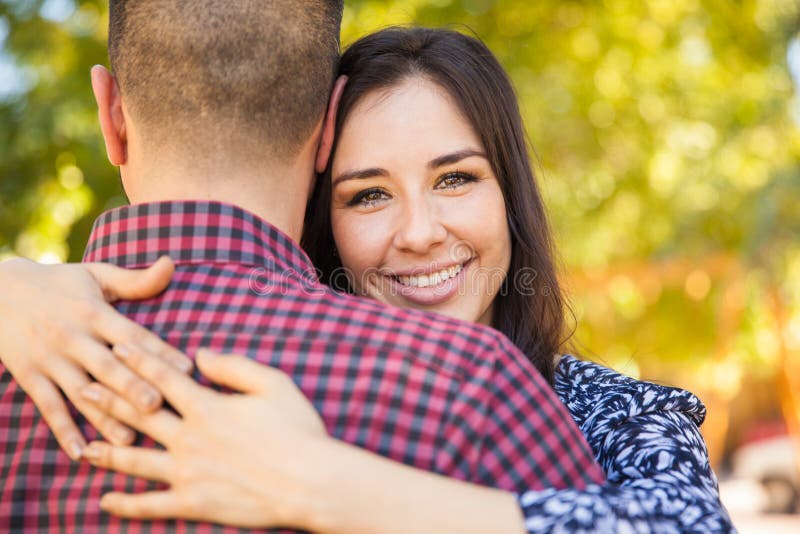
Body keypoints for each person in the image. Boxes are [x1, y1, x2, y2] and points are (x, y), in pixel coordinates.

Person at [0, 5, 606, 533]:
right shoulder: (473, 386)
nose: (420, 234)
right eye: (370, 193)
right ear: (328, 130)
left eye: (456, 179)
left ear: (110, 113)